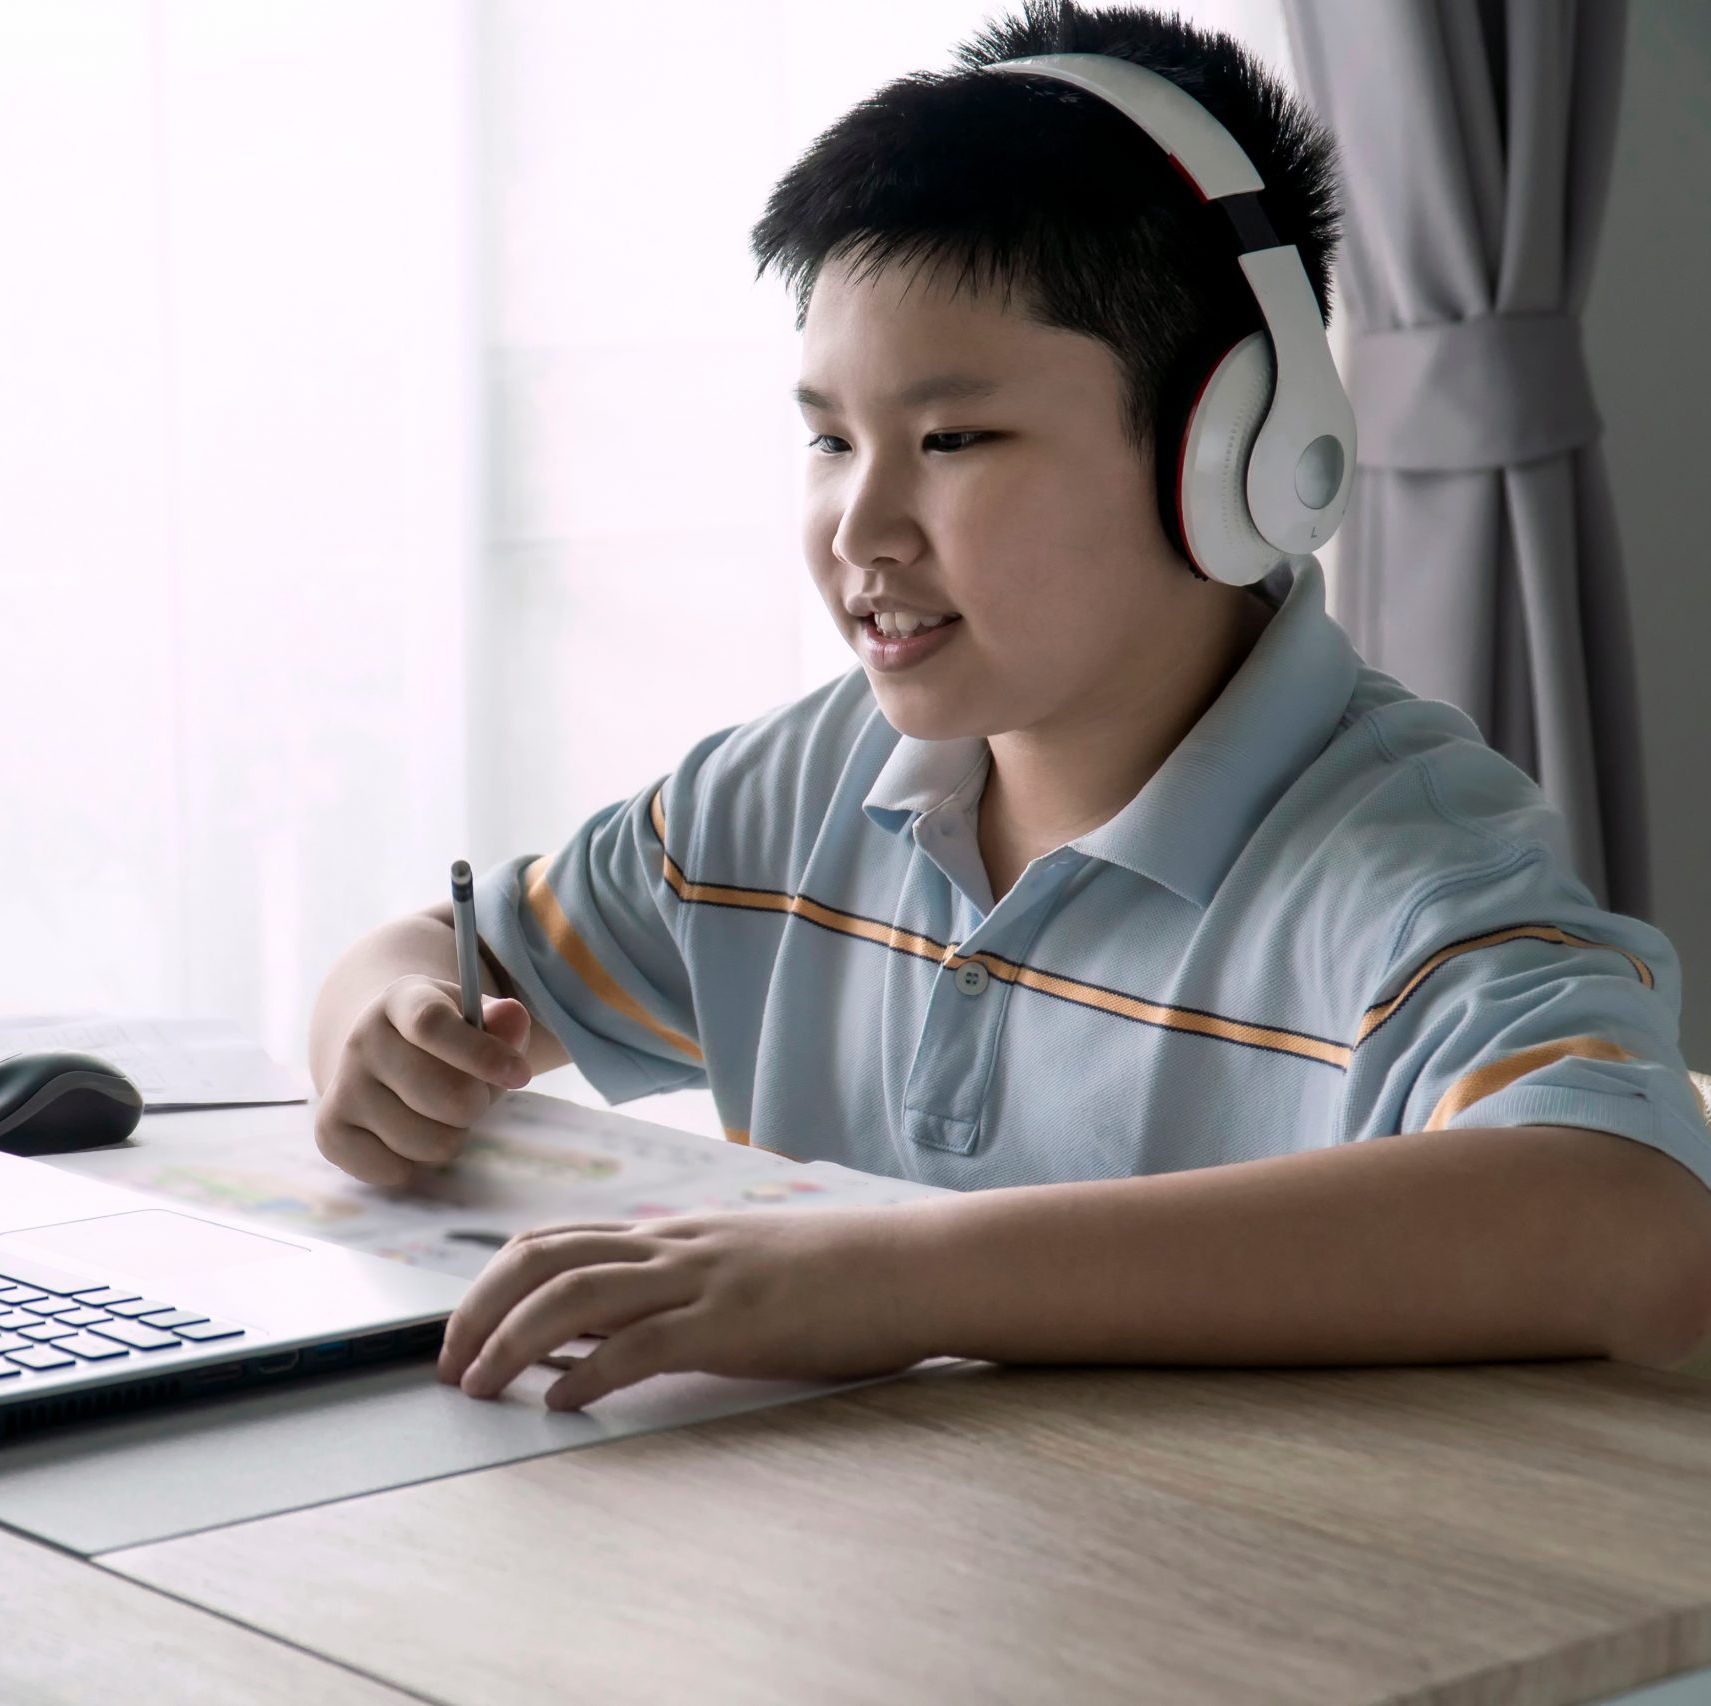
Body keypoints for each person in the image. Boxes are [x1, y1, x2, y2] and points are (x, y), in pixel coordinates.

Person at [305, 0, 1711, 1411]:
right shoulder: (785, 797)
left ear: (1234, 454)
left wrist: (895, 1279)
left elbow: (1633, 1224)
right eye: (829, 439)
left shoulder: (1412, 871)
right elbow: (458, 957)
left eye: (952, 438)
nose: (861, 528)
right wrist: (383, 1024)